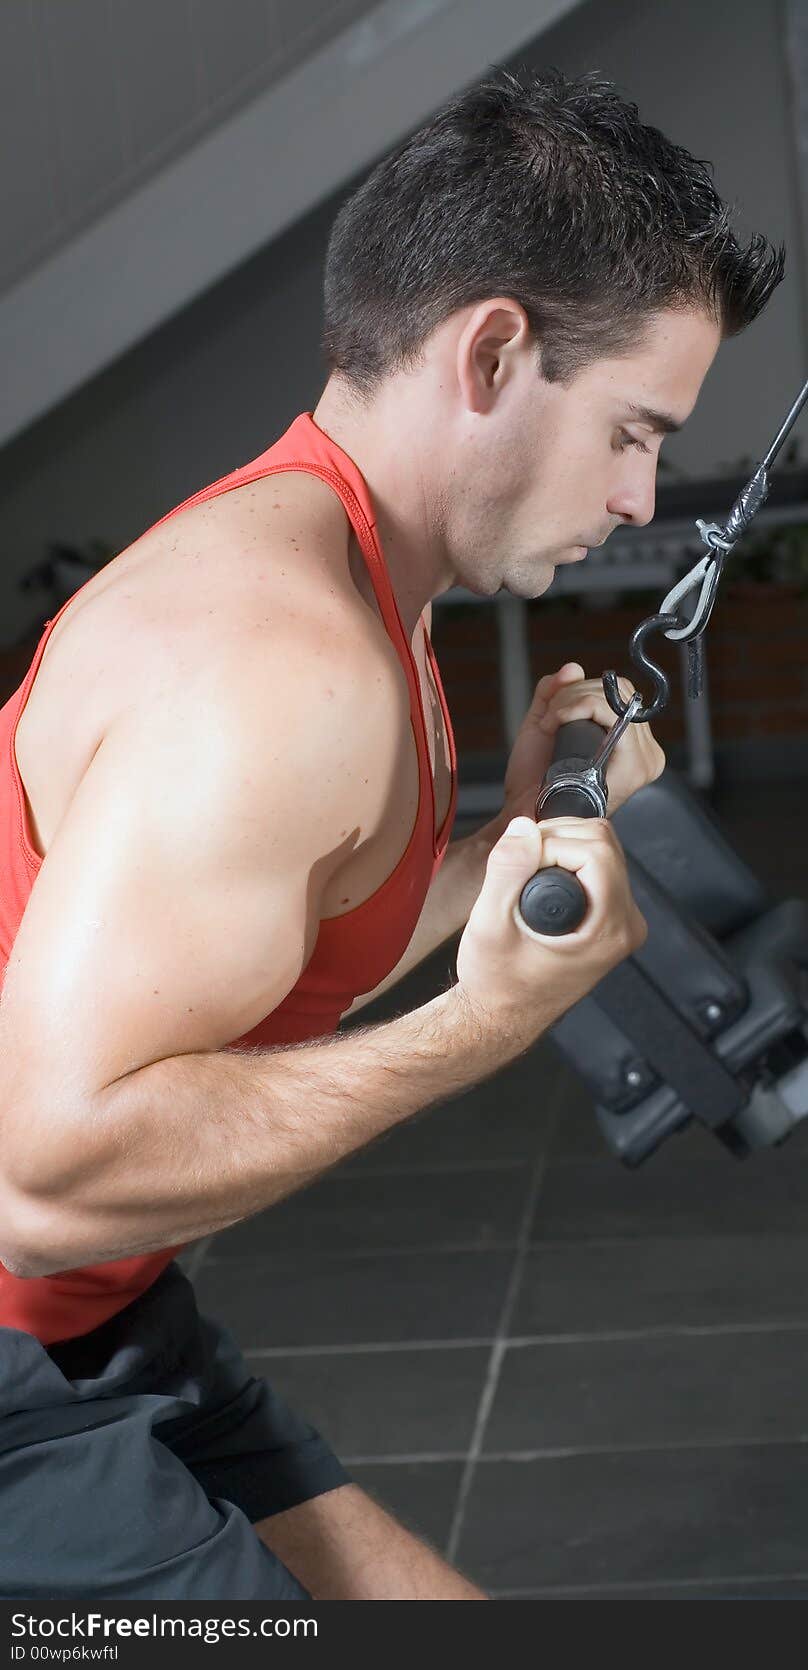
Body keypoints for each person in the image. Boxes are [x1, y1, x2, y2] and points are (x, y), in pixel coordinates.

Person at [0, 66, 783, 1601]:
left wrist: (499, 852)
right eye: (631, 430)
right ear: (492, 351)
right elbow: (39, 1173)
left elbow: (271, 956)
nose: (638, 496)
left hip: (97, 1320)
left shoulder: (357, 576)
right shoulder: (278, 666)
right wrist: (480, 1027)